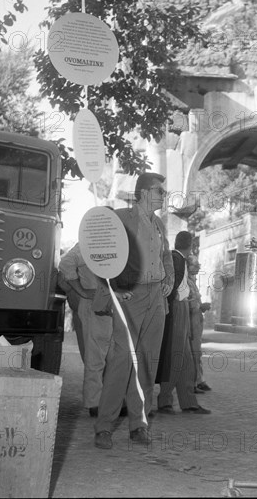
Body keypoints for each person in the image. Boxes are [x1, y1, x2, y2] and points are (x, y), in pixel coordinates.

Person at [91, 173, 174, 449]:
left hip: (156, 298)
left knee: (147, 363)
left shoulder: (160, 223)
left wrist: (169, 278)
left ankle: (138, 424)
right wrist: (112, 287)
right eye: (159, 190)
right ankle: (104, 427)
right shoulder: (122, 218)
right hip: (131, 295)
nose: (164, 195)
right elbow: (101, 254)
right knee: (121, 361)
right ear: (143, 193)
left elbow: (165, 256)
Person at [157, 232, 211, 415]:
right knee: (177, 355)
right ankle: (165, 400)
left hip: (182, 308)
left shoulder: (176, 258)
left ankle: (189, 402)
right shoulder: (178, 260)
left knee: (186, 359)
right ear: (191, 246)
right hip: (178, 309)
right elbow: (172, 288)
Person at [59, 243, 114, 418]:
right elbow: (66, 264)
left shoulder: (117, 241)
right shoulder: (88, 244)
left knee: (114, 355)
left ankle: (112, 399)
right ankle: (94, 402)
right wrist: (81, 291)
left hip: (113, 301)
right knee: (95, 355)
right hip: (94, 300)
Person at [187, 254, 212, 393]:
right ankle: (193, 382)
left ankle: (199, 379)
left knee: (197, 351)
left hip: (196, 320)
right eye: (195, 265)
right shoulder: (185, 281)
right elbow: (187, 303)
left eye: (198, 265)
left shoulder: (193, 281)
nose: (198, 268)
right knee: (193, 352)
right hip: (191, 320)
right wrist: (200, 307)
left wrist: (202, 306)